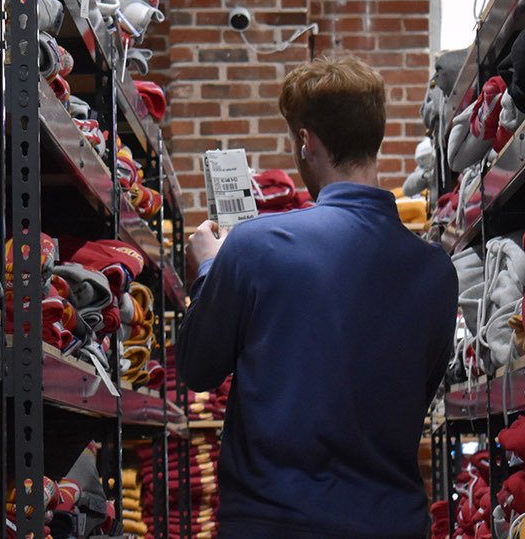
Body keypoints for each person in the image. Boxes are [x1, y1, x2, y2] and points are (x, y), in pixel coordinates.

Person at [177, 54, 459, 539]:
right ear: (375, 136)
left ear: (307, 142)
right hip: (392, 523)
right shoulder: (438, 272)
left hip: (273, 523)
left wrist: (207, 269)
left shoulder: (253, 246)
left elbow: (198, 369)